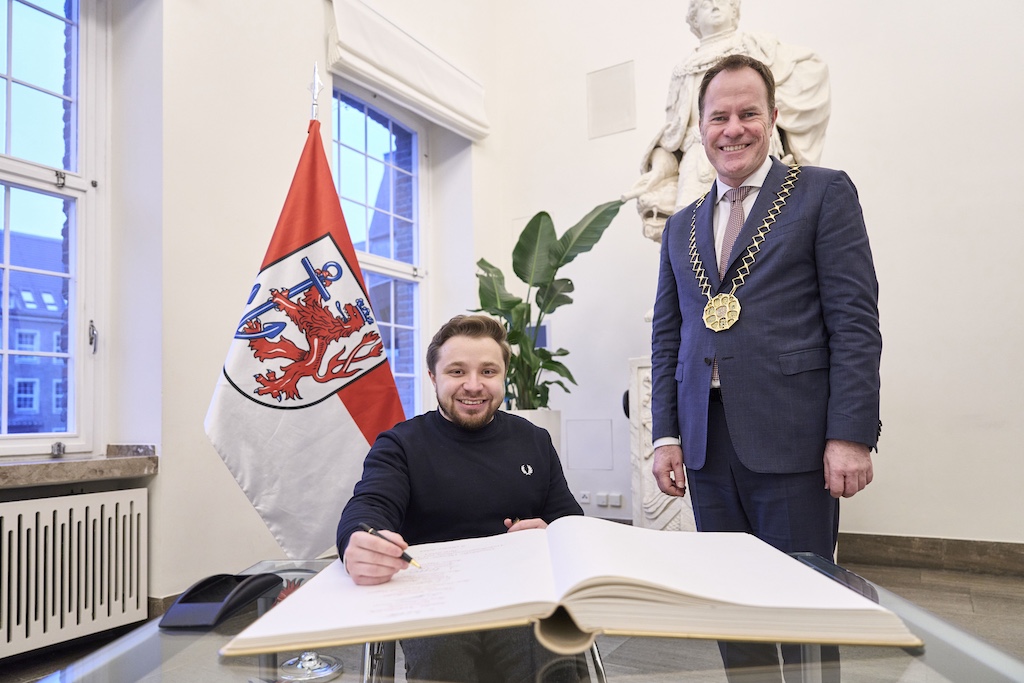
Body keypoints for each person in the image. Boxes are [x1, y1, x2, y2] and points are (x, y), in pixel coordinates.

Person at [649, 54, 881, 682]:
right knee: (733, 605)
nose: (734, 128)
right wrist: (665, 434)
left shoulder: (823, 193)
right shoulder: (681, 226)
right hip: (705, 443)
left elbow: (854, 323)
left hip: (795, 437)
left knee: (803, 603)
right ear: (700, 128)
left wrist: (851, 434)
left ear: (773, 118)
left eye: (748, 113)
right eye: (718, 116)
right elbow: (669, 336)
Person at [337, 314, 584, 683]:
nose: (473, 385)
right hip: (434, 598)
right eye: (456, 372)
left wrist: (549, 530)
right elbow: (369, 506)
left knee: (554, 662)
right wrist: (360, 539)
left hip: (518, 593)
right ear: (433, 377)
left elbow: (570, 522)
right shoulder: (400, 444)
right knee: (443, 665)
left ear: (503, 377)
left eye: (488, 371)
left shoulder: (534, 440)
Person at [623, 0, 830, 242]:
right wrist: (658, 170)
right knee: (690, 245)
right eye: (705, 3)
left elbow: (812, 69)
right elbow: (671, 141)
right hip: (696, 167)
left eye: (748, 113)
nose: (714, 6)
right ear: (693, 17)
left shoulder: (757, 45)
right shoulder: (682, 71)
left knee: (768, 240)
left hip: (758, 159)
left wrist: (776, 106)